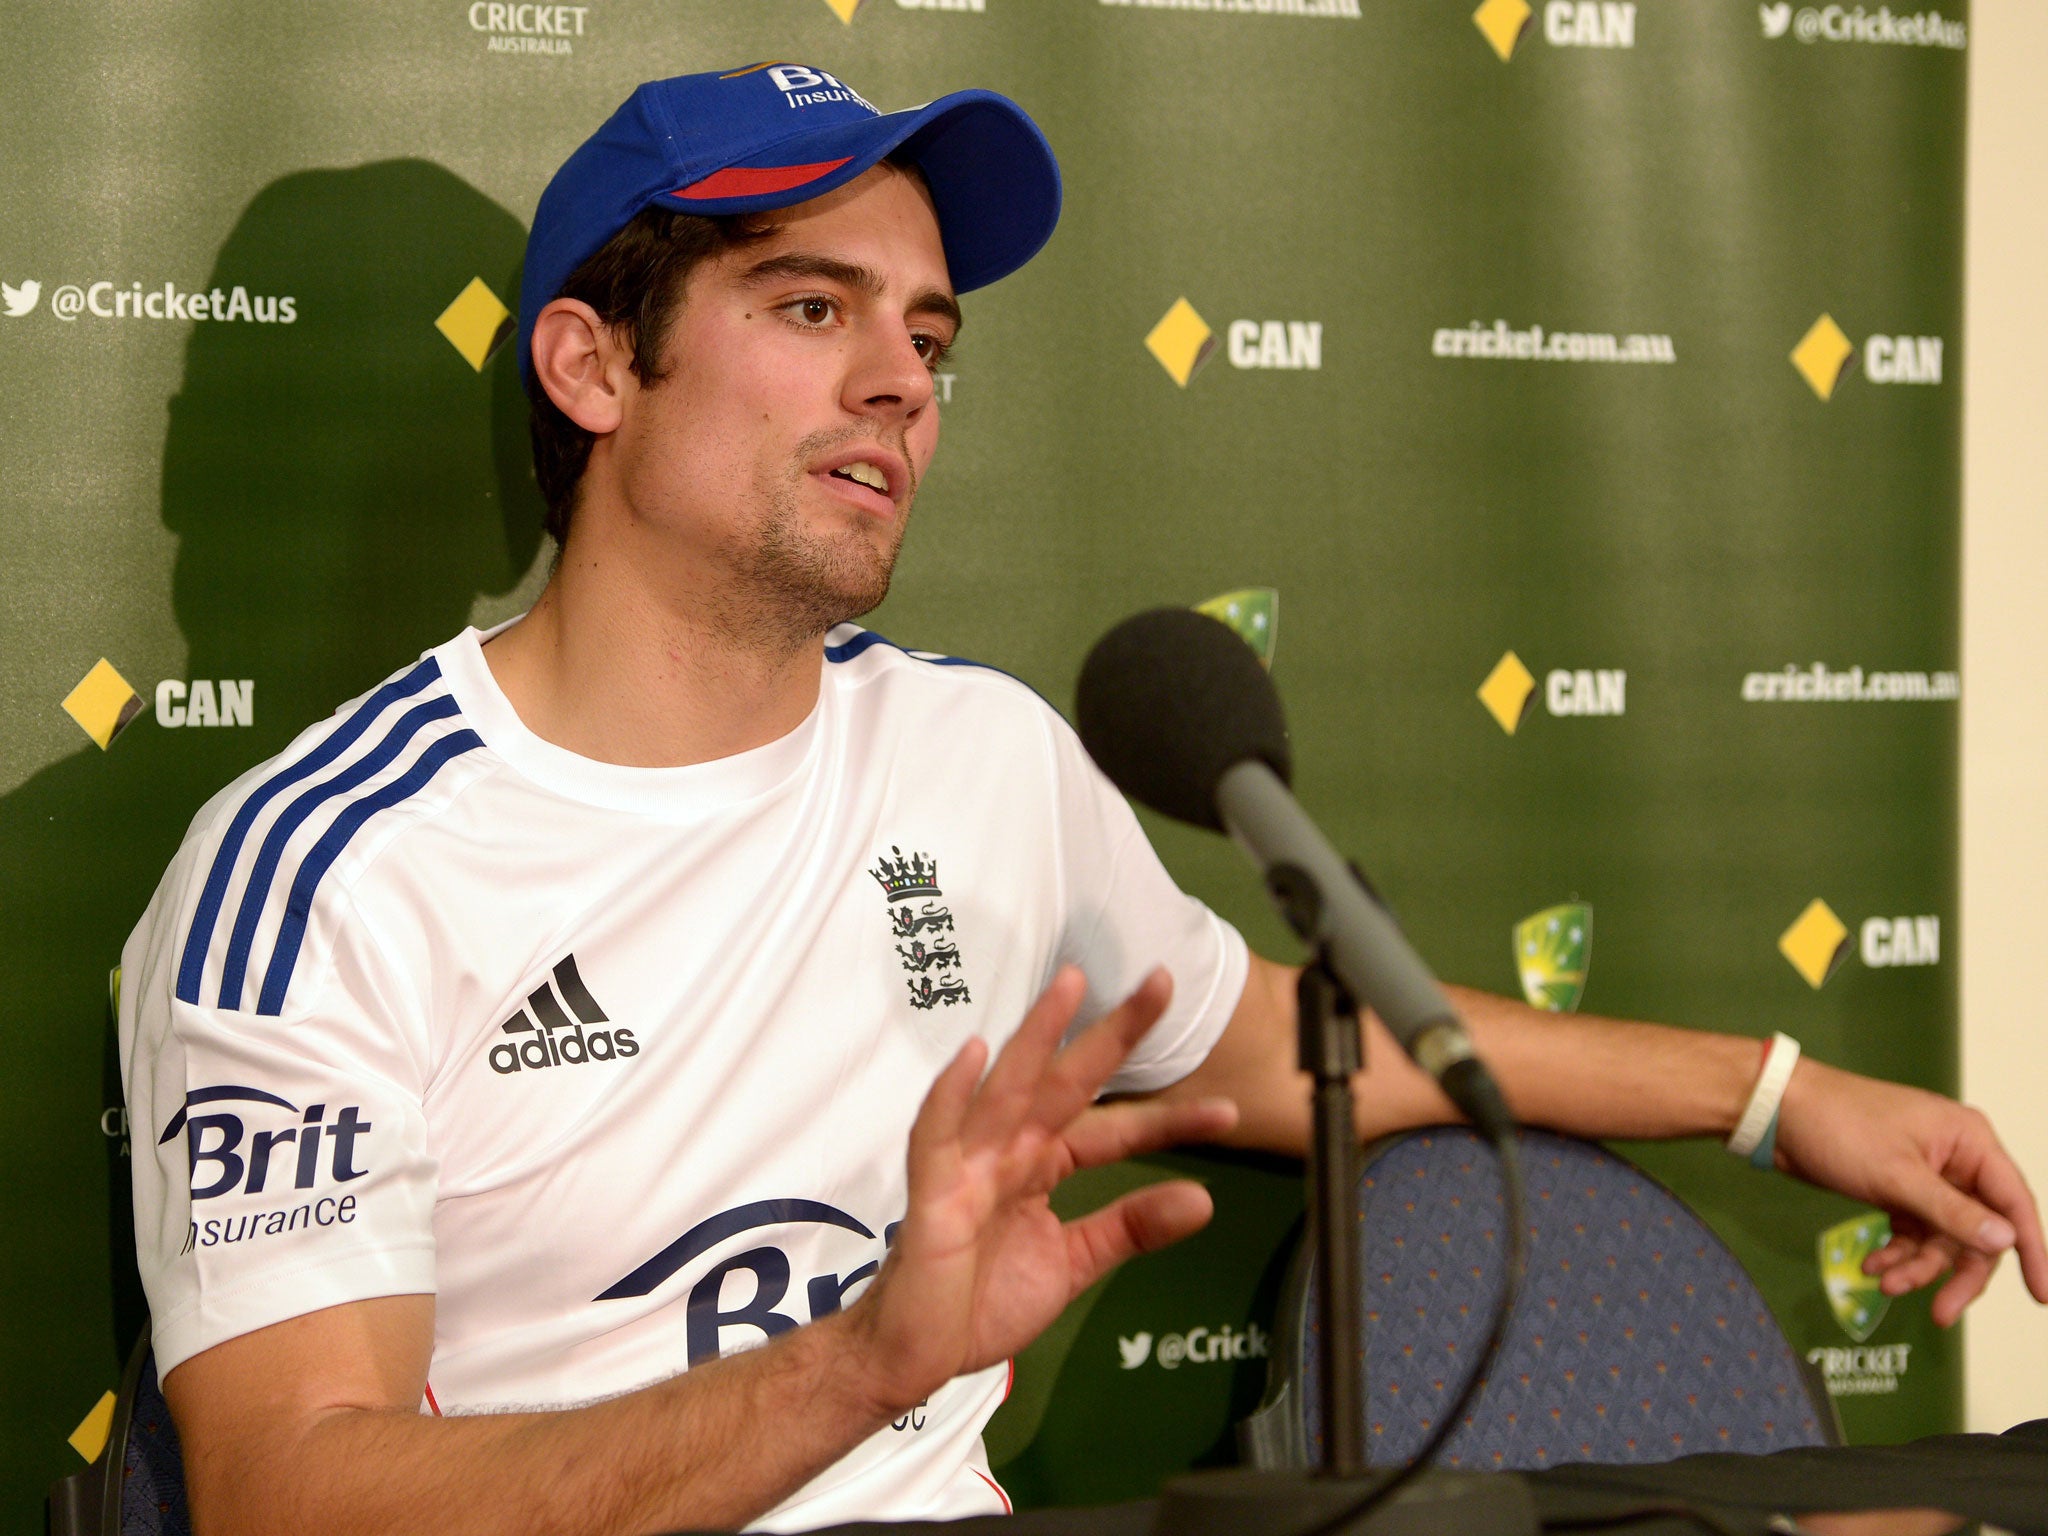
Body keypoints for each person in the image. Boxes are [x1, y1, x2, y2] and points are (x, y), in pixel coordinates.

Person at [120, 62, 2047, 1536]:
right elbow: (295, 1492)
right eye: (812, 310)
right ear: (592, 364)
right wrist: (866, 1364)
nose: (903, 383)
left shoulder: (983, 756)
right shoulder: (326, 871)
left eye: (931, 336)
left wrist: (1779, 1095)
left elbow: (1295, 1048)